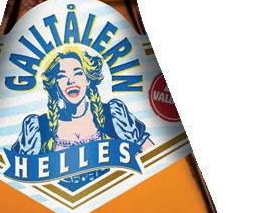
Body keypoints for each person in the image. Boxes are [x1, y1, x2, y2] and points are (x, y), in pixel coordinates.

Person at [11, 46, 153, 157]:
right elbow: (19, 171)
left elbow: (153, 156)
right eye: (62, 76)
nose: (71, 80)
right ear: (55, 85)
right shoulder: (39, 126)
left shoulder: (113, 115)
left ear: (88, 80)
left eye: (78, 73)